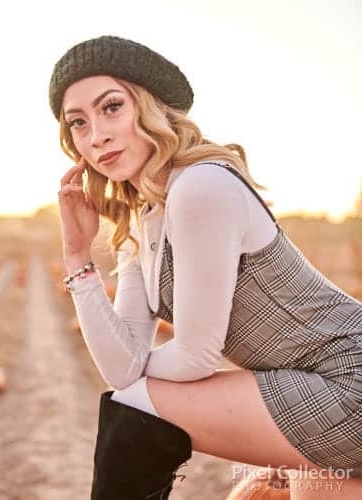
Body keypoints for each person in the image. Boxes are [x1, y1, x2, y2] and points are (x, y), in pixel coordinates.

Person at [48, 35, 362, 499]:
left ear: (149, 106)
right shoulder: (144, 219)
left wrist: (137, 371)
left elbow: (194, 357)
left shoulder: (200, 187)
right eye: (78, 123)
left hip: (348, 378)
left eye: (111, 107)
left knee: (134, 410)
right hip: (309, 384)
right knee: (129, 402)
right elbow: (120, 370)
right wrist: (78, 257)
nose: (97, 135)